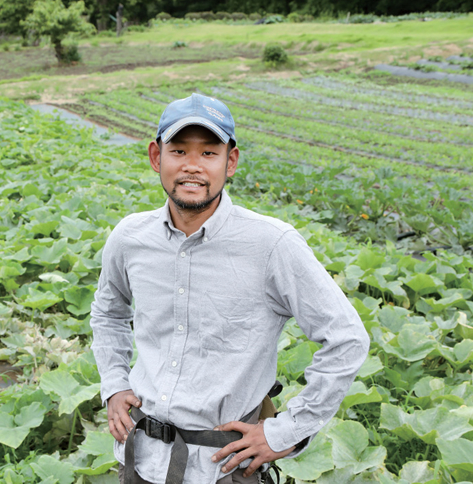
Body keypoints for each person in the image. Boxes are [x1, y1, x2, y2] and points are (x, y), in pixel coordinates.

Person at [89, 93, 370, 484]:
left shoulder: (272, 245)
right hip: (140, 459)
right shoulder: (130, 237)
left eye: (208, 153)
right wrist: (115, 384)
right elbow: (108, 312)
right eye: (179, 150)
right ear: (157, 157)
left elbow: (346, 338)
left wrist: (285, 434)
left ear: (230, 162)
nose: (192, 166)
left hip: (223, 469)